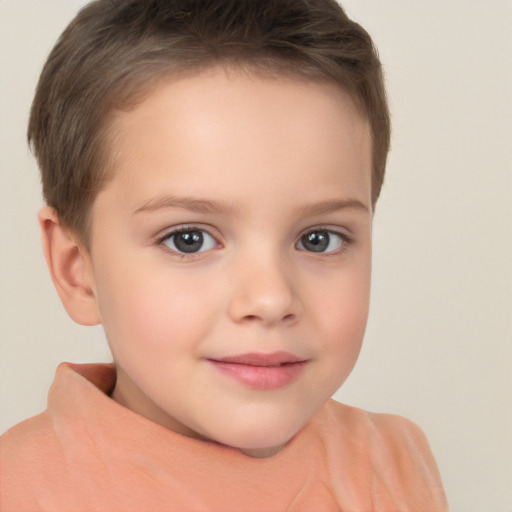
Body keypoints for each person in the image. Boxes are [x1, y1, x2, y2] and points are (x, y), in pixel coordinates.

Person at [0, 0, 449, 510]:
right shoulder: (18, 489)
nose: (271, 298)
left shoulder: (395, 464)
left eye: (318, 238)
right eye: (188, 239)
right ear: (76, 269)